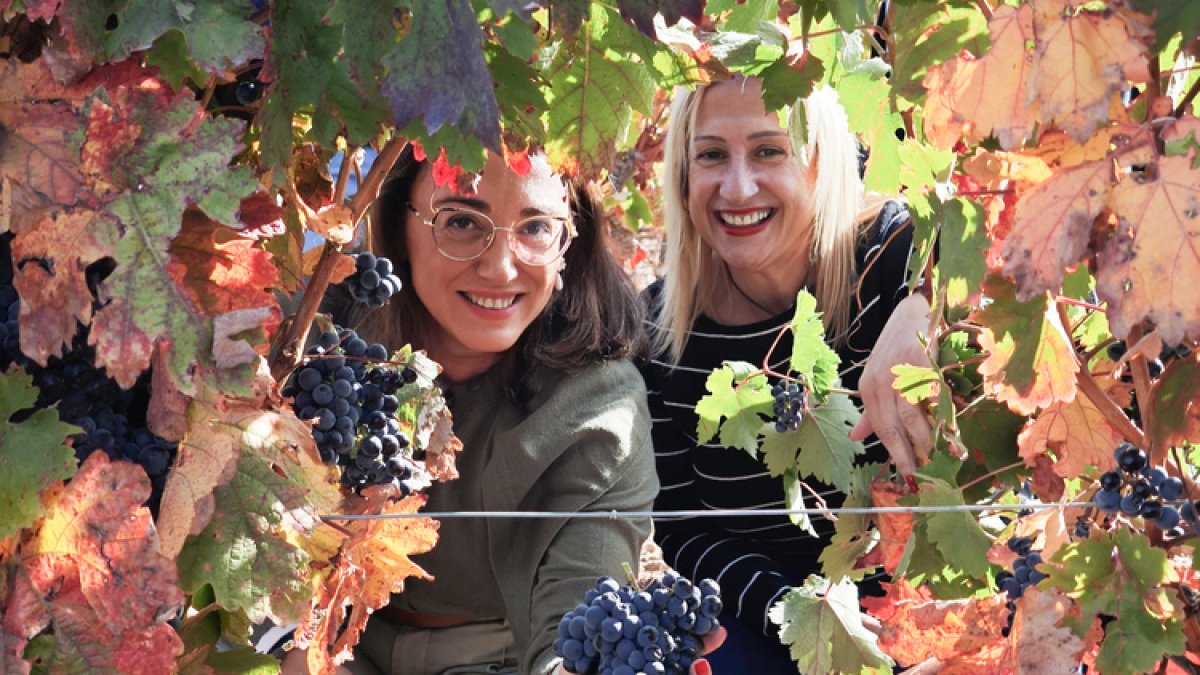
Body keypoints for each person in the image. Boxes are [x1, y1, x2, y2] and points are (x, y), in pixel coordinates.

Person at [284, 148, 715, 675]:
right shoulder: (312, 344)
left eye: (535, 227)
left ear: (568, 244)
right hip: (319, 636)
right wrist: (299, 645)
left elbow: (575, 616)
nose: (500, 267)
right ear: (398, 228)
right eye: (461, 222)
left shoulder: (600, 406)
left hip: (498, 659)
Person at [641, 76, 932, 672]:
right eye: (711, 155)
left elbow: (995, 252)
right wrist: (800, 614)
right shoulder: (661, 336)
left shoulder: (894, 256)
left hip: (933, 606)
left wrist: (928, 305)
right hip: (772, 624)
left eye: (769, 150)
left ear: (823, 160)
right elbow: (685, 529)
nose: (737, 187)